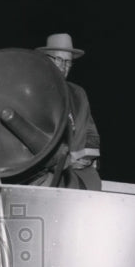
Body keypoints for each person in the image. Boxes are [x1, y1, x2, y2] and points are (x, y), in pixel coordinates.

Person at [37, 33, 102, 190]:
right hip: (42, 170)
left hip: (76, 169)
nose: (64, 66)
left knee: (93, 185)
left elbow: (90, 132)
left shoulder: (78, 93)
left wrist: (86, 157)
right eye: (59, 59)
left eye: (68, 62)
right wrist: (63, 160)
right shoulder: (33, 90)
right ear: (47, 59)